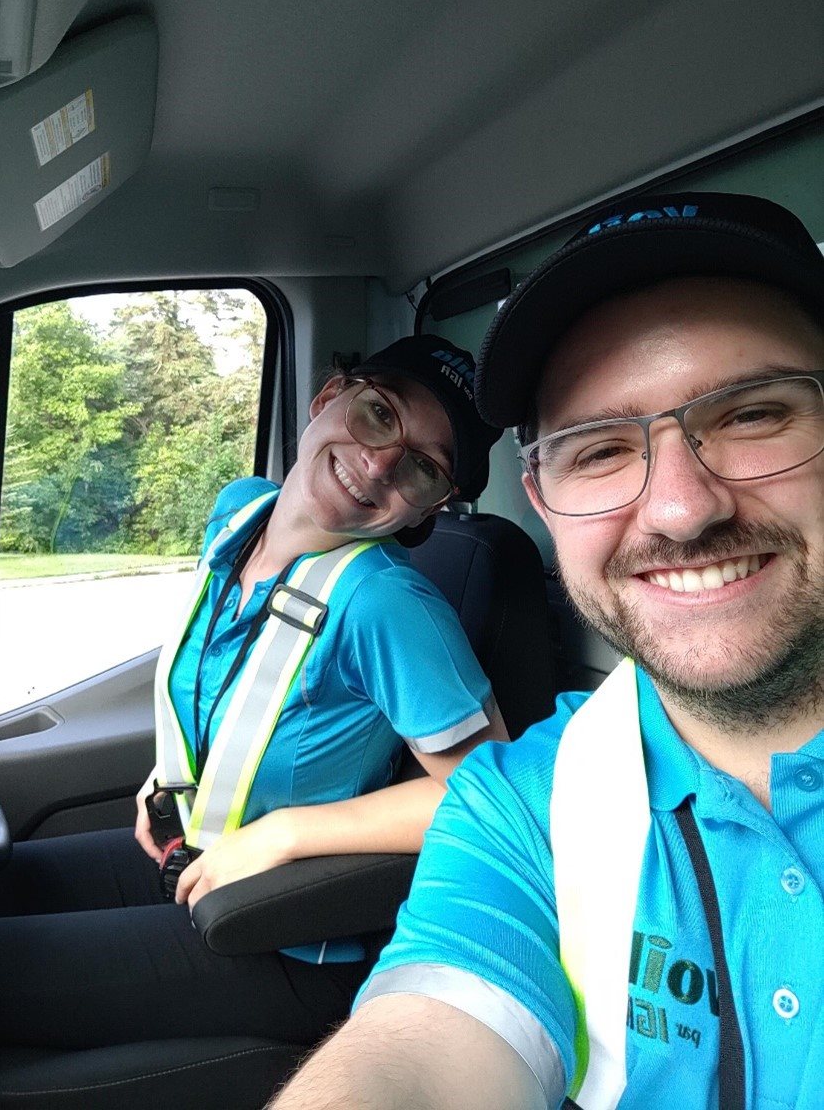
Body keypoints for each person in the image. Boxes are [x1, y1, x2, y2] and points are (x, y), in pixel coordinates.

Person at [271, 192, 824, 1110]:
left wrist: (283, 837)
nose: (684, 507)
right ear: (540, 492)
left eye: (753, 415)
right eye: (601, 449)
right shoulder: (524, 807)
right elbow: (421, 1055)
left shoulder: (383, 606)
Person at [0, 333, 506, 1096]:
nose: (383, 461)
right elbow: (233, 681)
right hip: (193, 857)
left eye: (425, 465)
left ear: (433, 502)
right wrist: (170, 772)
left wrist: (282, 834)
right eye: (376, 414)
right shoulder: (240, 513)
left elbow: (487, 794)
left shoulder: (389, 606)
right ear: (329, 399)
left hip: (287, 934)